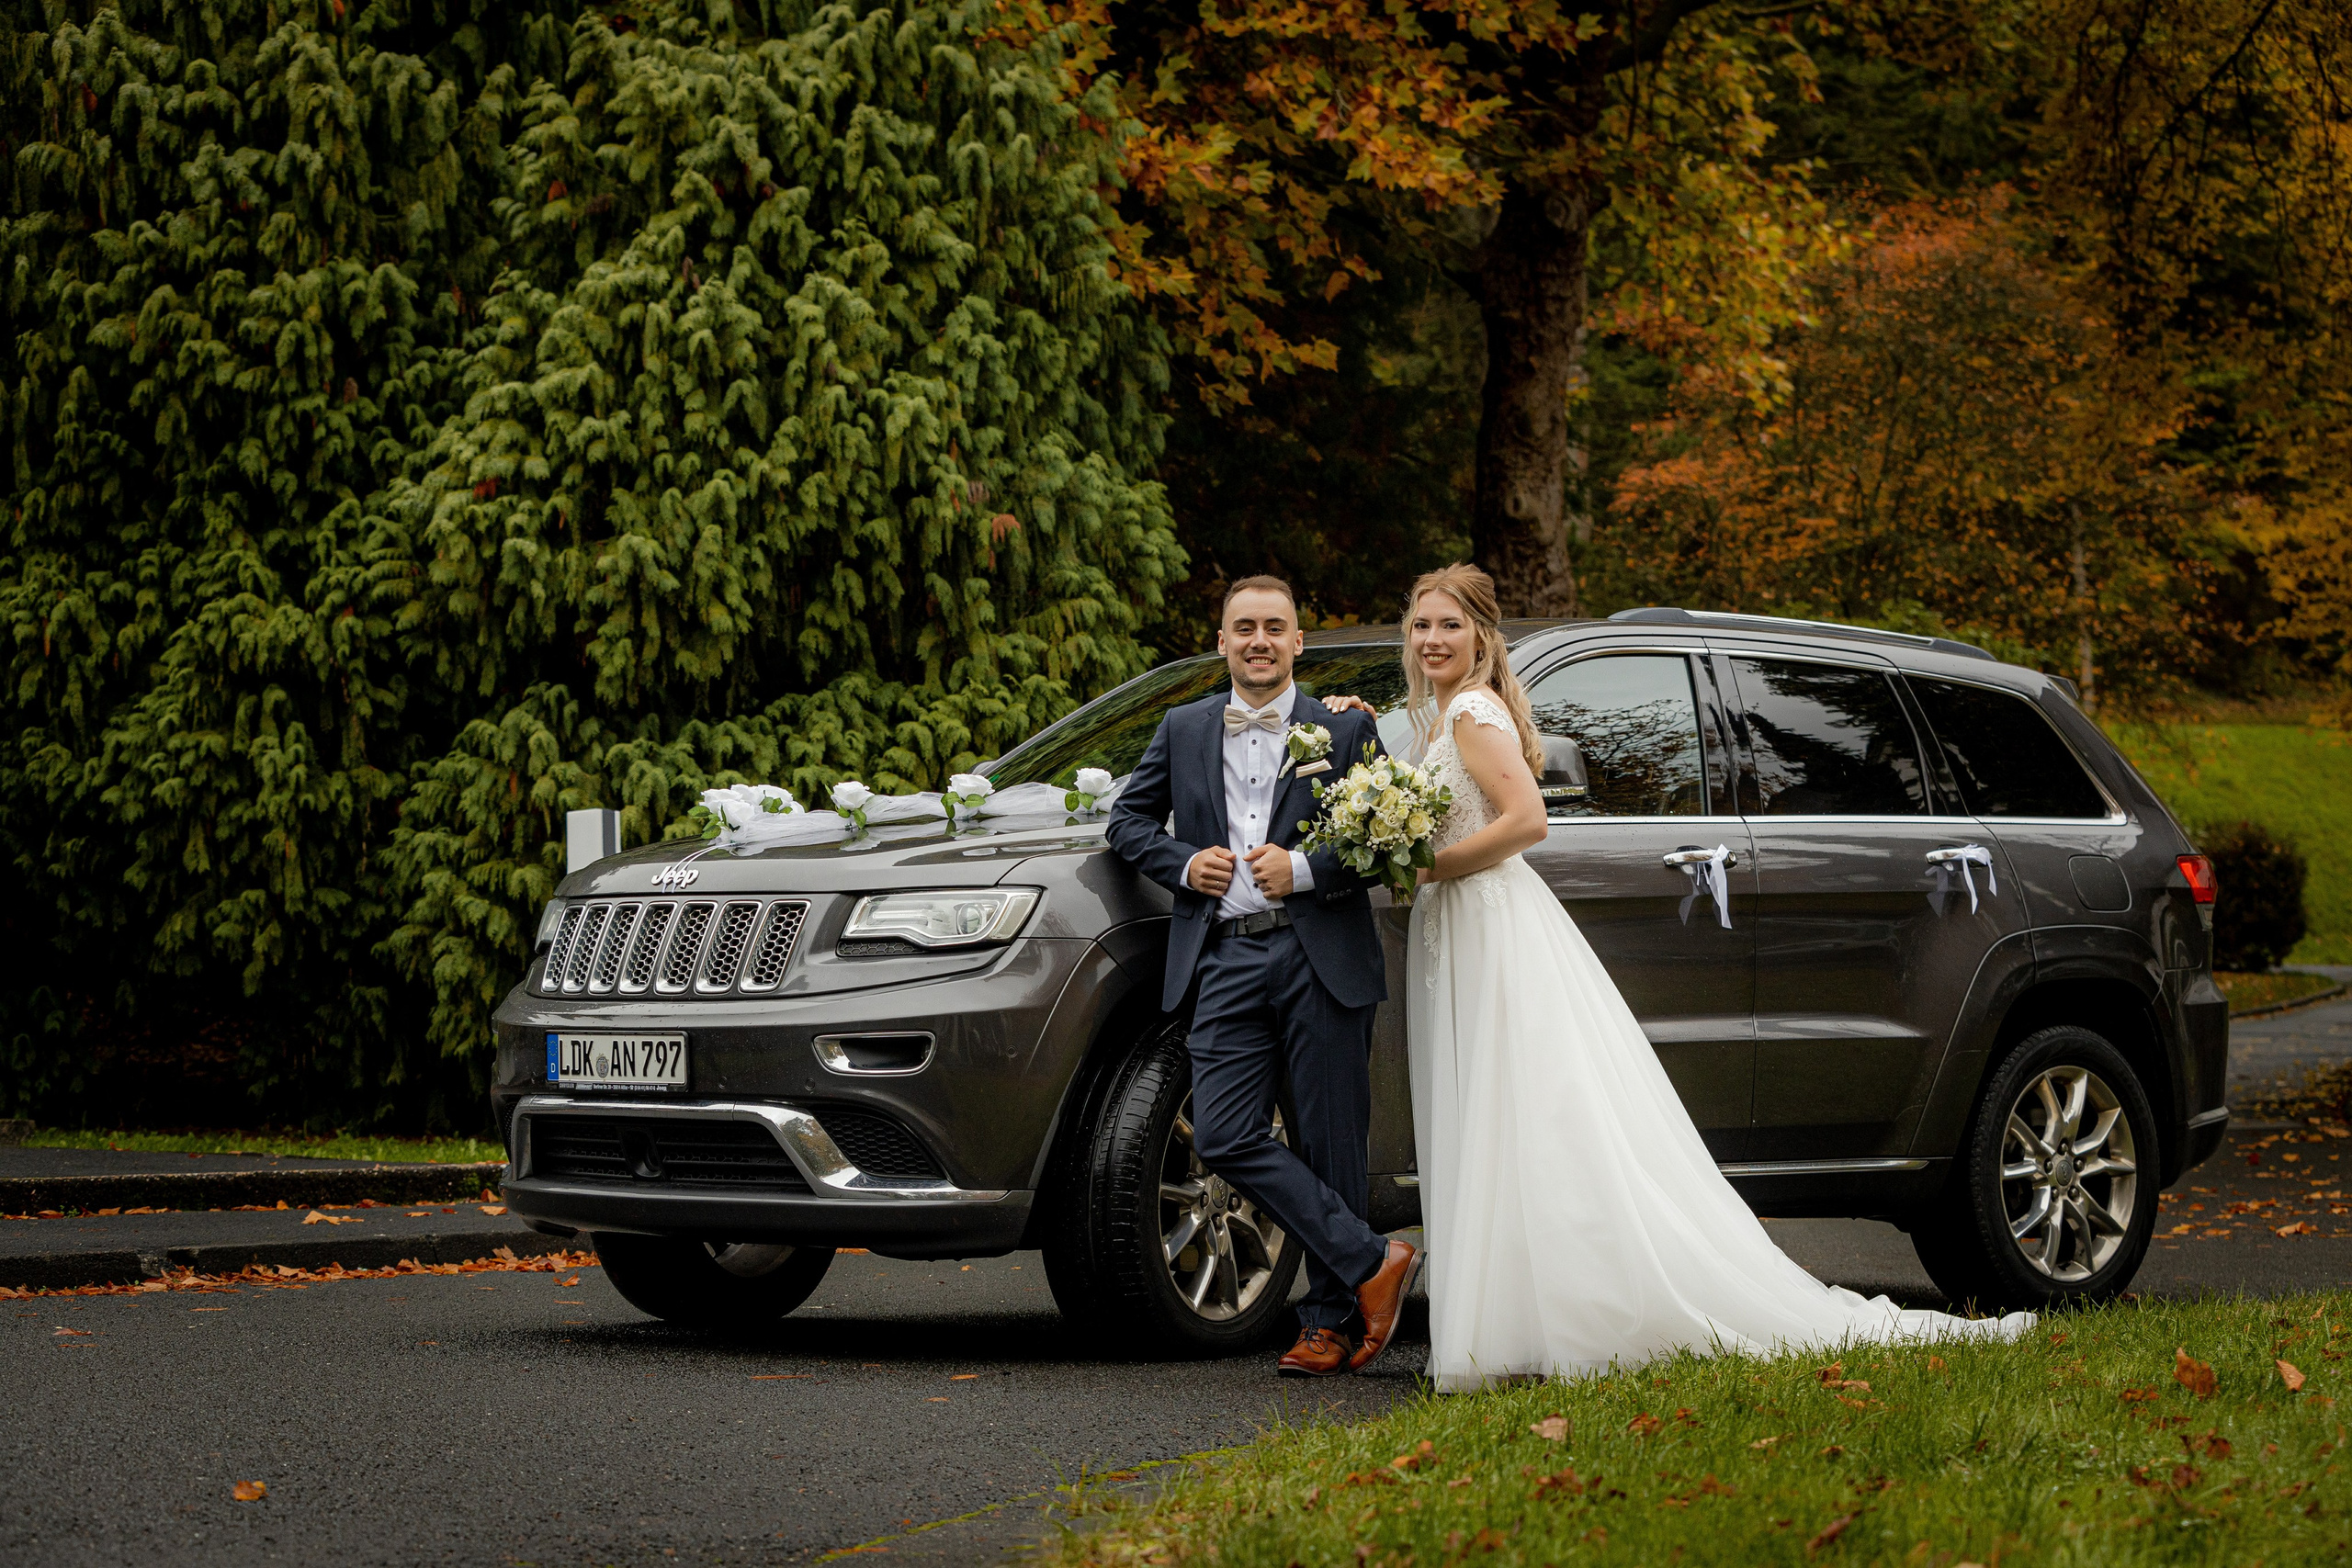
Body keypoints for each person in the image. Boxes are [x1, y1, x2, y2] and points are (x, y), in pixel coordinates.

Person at [1342, 563, 2033, 1390]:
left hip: (1485, 919)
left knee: (1525, 1113)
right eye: (1420, 626)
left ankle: (1545, 1314)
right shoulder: (1439, 718)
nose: (1431, 639)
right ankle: (1516, 1313)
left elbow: (1529, 821)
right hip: (1462, 923)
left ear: (1482, 635)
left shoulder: (1472, 709)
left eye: (1449, 625)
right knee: (1504, 1115)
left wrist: (1431, 867)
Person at [1105, 575, 1420, 1378]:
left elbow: (1387, 841)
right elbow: (1127, 821)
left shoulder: (1345, 732)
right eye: (1243, 627)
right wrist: (1184, 861)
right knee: (1223, 1133)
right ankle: (1372, 1257)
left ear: (1297, 642)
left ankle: (1328, 1324)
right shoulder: (1181, 728)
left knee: (1330, 1144)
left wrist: (1305, 869)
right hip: (1224, 956)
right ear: (1221, 642)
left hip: (1321, 955)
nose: (1258, 640)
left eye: (1274, 627)